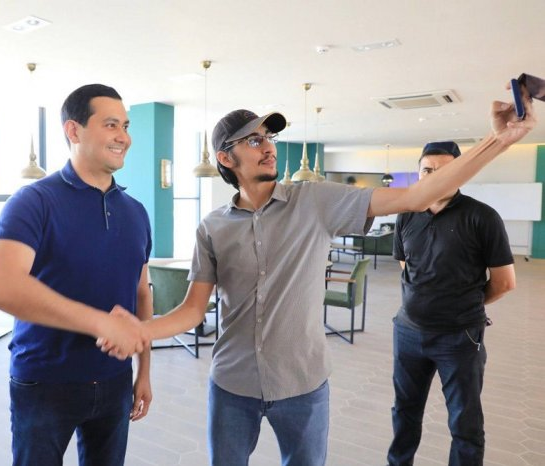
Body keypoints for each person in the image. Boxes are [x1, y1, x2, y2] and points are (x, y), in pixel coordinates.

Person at [100, 83, 535, 466]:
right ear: (226, 157)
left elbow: (419, 195)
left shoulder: (315, 201)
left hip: (303, 385)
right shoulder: (213, 227)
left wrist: (498, 141)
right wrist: (142, 329)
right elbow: (194, 311)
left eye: (269, 137)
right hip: (232, 385)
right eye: (254, 139)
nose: (269, 146)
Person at [0, 83, 153, 466]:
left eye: (125, 126)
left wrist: (144, 370)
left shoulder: (136, 212)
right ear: (74, 130)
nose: (123, 137)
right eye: (110, 125)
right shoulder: (33, 201)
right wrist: (100, 323)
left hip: (115, 379)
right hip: (45, 382)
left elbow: (141, 293)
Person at [386, 141, 516, 466]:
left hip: (459, 337)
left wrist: (463, 304)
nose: (433, 177)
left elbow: (504, 282)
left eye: (444, 171)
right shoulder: (407, 214)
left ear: (461, 173)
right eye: (427, 171)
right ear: (418, 173)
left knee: (464, 422)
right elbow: (407, 266)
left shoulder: (483, 217)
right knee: (404, 412)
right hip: (408, 333)